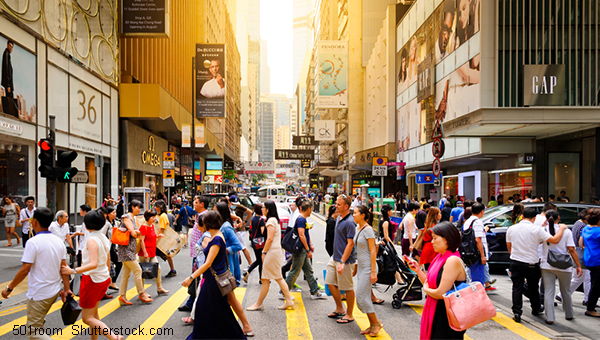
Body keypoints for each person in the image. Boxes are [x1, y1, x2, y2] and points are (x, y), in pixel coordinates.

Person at [1, 207, 73, 340]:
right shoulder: (58, 241)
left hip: (39, 294)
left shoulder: (33, 242)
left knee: (35, 333)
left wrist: (9, 288)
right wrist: (66, 289)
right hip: (54, 291)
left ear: (34, 222)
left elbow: (24, 270)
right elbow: (63, 268)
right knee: (39, 325)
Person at [181, 211, 247, 340]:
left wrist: (191, 277)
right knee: (216, 309)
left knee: (207, 308)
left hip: (214, 280)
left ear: (208, 223)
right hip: (213, 278)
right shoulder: (215, 235)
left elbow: (208, 263)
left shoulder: (216, 238)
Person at [61, 210, 122, 340]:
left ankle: (114, 337)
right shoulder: (103, 237)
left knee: (86, 318)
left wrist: (72, 271)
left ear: (87, 224)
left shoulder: (91, 240)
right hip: (102, 278)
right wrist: (108, 274)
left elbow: (93, 264)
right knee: (93, 314)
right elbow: (107, 258)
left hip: (93, 280)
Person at [506, 207, 569, 323]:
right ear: (535, 218)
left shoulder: (511, 229)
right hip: (531, 263)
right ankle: (535, 308)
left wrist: (514, 256)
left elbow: (509, 245)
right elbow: (554, 240)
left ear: (522, 216)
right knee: (533, 287)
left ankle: (517, 312)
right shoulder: (537, 230)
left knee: (517, 287)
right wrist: (562, 228)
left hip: (515, 261)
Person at [407, 221, 467, 340]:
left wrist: (425, 289)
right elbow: (430, 283)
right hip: (438, 311)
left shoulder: (452, 260)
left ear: (447, 239)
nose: (432, 242)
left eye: (435, 238)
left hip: (447, 315)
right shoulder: (440, 257)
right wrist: (418, 270)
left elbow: (440, 293)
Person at [246, 200, 295, 311]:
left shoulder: (270, 221)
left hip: (272, 252)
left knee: (268, 278)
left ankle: (259, 304)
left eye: (263, 207)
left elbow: (270, 239)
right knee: (273, 278)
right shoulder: (274, 220)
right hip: (275, 251)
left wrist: (264, 252)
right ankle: (288, 301)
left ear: (268, 209)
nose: (262, 209)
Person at [540, 210, 582, 324]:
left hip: (546, 264)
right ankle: (569, 314)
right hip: (564, 265)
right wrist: (578, 265)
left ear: (546, 219)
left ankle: (549, 318)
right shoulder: (566, 231)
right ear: (558, 218)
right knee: (566, 291)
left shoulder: (543, 230)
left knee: (549, 291)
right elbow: (572, 249)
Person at [283, 200, 327, 300]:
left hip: (302, 249)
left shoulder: (302, 219)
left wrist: (310, 244)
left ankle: (314, 292)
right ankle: (283, 292)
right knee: (294, 271)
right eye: (311, 209)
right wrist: (308, 250)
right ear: (309, 209)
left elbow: (305, 234)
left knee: (308, 271)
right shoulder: (301, 219)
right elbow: (301, 235)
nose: (311, 211)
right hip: (300, 250)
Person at [352, 205, 383, 337]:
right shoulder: (357, 228)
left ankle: (377, 323)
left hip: (369, 267)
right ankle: (372, 325)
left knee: (360, 296)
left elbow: (372, 250)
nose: (353, 215)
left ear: (363, 215)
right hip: (362, 267)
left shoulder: (368, 230)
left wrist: (373, 272)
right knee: (363, 297)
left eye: (355, 213)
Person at [325, 195, 356, 324]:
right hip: (335, 257)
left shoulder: (349, 222)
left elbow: (350, 244)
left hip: (345, 260)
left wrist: (342, 261)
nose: (335, 206)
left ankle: (349, 314)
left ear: (346, 206)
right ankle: (339, 308)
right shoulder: (338, 218)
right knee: (330, 282)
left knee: (347, 287)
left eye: (338, 204)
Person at [117, 200, 152, 305]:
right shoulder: (127, 217)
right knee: (138, 270)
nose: (139, 210)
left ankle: (122, 296)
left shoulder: (132, 218)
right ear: (132, 207)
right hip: (126, 250)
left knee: (126, 273)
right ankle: (141, 293)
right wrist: (137, 232)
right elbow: (133, 233)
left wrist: (137, 233)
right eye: (138, 207)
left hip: (129, 249)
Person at [182, 210, 212, 324]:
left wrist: (192, 277)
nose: (196, 225)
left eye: (197, 223)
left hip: (206, 272)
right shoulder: (209, 234)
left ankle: (194, 318)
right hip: (205, 271)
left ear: (203, 225)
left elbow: (208, 255)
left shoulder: (206, 236)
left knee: (201, 294)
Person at [556, 209, 592, 306]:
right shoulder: (584, 227)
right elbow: (581, 243)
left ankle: (587, 298)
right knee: (582, 278)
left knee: (582, 278)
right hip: (581, 254)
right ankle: (562, 294)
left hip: (577, 253)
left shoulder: (577, 223)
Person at [138, 209, 170, 296]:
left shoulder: (151, 225)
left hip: (152, 252)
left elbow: (151, 236)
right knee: (144, 272)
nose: (154, 219)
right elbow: (141, 240)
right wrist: (144, 252)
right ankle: (142, 291)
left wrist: (157, 236)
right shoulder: (143, 227)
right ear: (148, 217)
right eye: (153, 217)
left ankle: (159, 288)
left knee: (157, 268)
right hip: (145, 252)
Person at [216, 202, 244, 285]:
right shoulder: (221, 225)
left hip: (227, 265)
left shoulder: (226, 226)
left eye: (216, 211)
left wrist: (224, 250)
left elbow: (238, 245)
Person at [580, 208, 600, 317]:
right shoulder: (598, 232)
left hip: (588, 259)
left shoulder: (586, 229)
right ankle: (590, 308)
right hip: (598, 260)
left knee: (594, 283)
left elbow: (580, 242)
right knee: (596, 286)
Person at [462, 203, 487, 285]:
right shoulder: (478, 222)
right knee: (478, 279)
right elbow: (478, 239)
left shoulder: (467, 221)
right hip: (477, 254)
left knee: (473, 276)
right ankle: (478, 296)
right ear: (482, 211)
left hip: (469, 252)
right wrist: (483, 255)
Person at [153, 200, 177, 277]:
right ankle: (172, 270)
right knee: (166, 255)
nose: (154, 208)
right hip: (162, 238)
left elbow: (161, 228)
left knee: (164, 254)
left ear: (159, 207)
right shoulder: (160, 215)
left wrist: (156, 239)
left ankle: (172, 270)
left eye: (156, 206)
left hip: (162, 238)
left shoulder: (163, 216)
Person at [244, 203, 266, 283]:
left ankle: (261, 278)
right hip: (260, 243)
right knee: (260, 261)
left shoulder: (253, 219)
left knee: (260, 260)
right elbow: (263, 232)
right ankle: (248, 272)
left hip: (254, 242)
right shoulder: (261, 220)